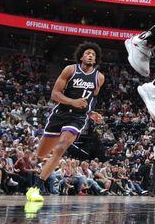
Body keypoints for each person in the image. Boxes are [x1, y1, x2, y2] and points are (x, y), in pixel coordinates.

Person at [26, 42, 105, 203]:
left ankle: (35, 188)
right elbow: (55, 94)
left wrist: (91, 113)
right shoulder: (70, 70)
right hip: (60, 114)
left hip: (77, 118)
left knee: (61, 147)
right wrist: (72, 101)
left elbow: (90, 100)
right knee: (40, 155)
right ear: (81, 56)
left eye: (93, 54)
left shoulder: (99, 78)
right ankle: (34, 174)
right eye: (88, 53)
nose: (91, 55)